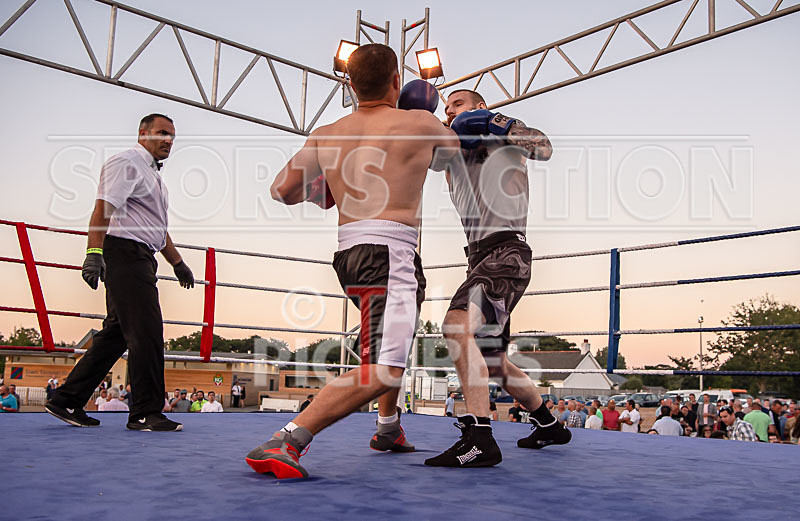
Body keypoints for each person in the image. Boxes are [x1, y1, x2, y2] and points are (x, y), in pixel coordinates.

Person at [245, 44, 458, 479]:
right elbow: (455, 155)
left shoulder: (325, 134)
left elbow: (282, 190)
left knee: (386, 345)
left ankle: (388, 427)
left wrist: (326, 187)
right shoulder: (419, 122)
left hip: (349, 255)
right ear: (396, 81)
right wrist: (435, 120)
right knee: (384, 367)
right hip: (390, 252)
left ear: (350, 84)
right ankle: (287, 438)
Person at [432, 88, 559, 466]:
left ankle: (479, 438)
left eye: (457, 105)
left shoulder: (504, 137)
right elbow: (422, 158)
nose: (449, 111)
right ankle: (549, 424)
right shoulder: (449, 149)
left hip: (506, 251)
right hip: (479, 258)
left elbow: (544, 148)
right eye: (446, 107)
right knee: (492, 360)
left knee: (456, 327)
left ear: (480, 107)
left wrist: (497, 124)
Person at [44, 113, 192, 433]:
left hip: (141, 255)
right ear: (143, 133)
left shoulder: (154, 177)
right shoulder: (127, 163)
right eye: (162, 133)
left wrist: (177, 262)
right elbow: (102, 209)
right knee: (146, 330)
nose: (168, 140)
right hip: (124, 253)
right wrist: (93, 253)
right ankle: (145, 412)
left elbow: (155, 228)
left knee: (117, 334)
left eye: (172, 136)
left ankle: (66, 399)